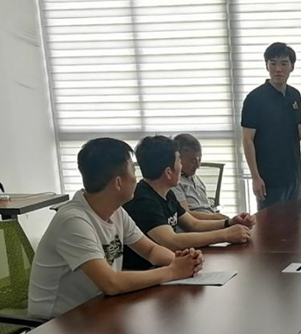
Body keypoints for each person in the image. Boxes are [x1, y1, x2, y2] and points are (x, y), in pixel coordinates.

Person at [28, 138, 202, 319]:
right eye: (133, 171)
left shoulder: (116, 212)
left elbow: (150, 250)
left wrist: (184, 262)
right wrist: (172, 271)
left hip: (96, 311)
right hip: (56, 324)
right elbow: (111, 283)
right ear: (118, 183)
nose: (136, 179)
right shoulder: (73, 221)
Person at [123, 135, 252, 271]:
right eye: (179, 161)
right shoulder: (143, 201)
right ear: (168, 172)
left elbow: (193, 224)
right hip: (146, 272)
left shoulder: (167, 193)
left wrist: (229, 223)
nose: (181, 167)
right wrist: (225, 235)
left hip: (167, 266)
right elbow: (172, 241)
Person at [241, 42, 301, 210]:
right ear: (267, 66)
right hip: (269, 179)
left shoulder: (294, 95)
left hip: (294, 177)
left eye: (284, 64)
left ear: (292, 67)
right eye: (273, 63)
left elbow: (298, 129)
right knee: (271, 224)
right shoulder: (255, 98)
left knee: (295, 221)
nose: (278, 69)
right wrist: (255, 177)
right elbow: (247, 140)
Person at [170, 133, 256, 228]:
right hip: (197, 227)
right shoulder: (175, 184)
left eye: (199, 159)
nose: (198, 166)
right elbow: (186, 216)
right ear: (178, 160)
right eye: (193, 161)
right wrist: (219, 218)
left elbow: (207, 208)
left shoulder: (195, 178)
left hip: (211, 221)